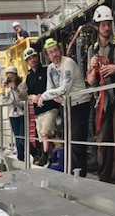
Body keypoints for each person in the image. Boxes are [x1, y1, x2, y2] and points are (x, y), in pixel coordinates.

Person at [86, 6, 115, 186]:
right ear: (98, 27)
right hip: (102, 101)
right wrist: (92, 68)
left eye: (109, 24)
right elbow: (90, 80)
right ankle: (103, 179)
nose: (107, 28)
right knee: (102, 142)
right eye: (104, 25)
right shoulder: (93, 49)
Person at [38, 38, 90, 176]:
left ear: (59, 50)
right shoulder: (50, 69)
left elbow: (64, 88)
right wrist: (54, 94)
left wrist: (45, 96)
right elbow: (52, 88)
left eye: (55, 50)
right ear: (47, 55)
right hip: (66, 105)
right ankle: (72, 171)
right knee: (68, 139)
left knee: (76, 140)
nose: (54, 54)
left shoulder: (68, 63)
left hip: (79, 103)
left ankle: (79, 173)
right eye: (51, 52)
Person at [24, 47, 54, 165]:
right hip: (38, 111)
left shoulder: (47, 70)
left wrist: (44, 96)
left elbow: (53, 87)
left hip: (50, 107)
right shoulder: (29, 77)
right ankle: (51, 159)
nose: (32, 60)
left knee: (45, 133)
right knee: (43, 137)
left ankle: (44, 156)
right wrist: (34, 98)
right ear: (27, 62)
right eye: (29, 59)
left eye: (34, 57)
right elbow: (28, 94)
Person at [2, 66, 27, 161]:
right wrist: (4, 89)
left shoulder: (22, 85)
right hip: (13, 114)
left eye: (12, 77)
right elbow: (5, 101)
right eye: (8, 77)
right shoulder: (8, 88)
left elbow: (23, 96)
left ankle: (32, 152)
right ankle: (20, 157)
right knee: (17, 136)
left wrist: (15, 88)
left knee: (22, 136)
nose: (10, 79)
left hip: (22, 113)